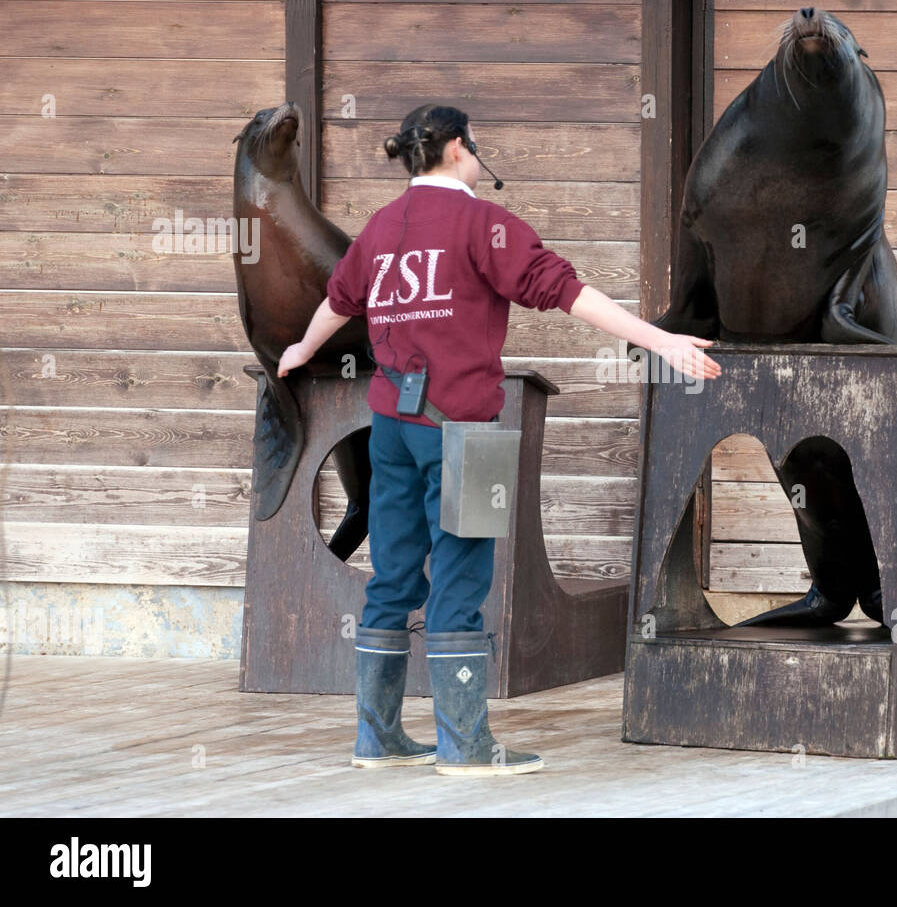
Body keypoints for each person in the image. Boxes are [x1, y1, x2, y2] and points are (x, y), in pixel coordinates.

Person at [277, 104, 720, 776]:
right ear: (457, 148)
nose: (481, 157)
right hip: (465, 430)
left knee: (393, 573)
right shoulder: (484, 224)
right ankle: (464, 745)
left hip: (390, 428)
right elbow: (564, 292)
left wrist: (299, 351)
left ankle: (378, 737)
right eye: (476, 145)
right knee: (461, 574)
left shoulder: (378, 229)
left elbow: (340, 302)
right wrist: (658, 338)